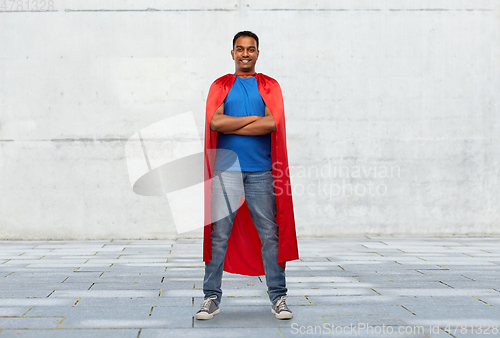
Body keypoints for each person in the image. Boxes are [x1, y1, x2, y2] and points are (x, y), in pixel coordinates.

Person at [197, 31, 298, 320]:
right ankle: (210, 298)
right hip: (225, 171)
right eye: (239, 49)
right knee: (219, 236)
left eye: (250, 49)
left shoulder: (269, 86)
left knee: (270, 234)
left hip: (261, 172)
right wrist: (255, 120)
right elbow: (215, 122)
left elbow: (271, 124)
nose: (245, 54)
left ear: (257, 53)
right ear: (232, 53)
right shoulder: (220, 85)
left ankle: (278, 298)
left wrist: (234, 125)